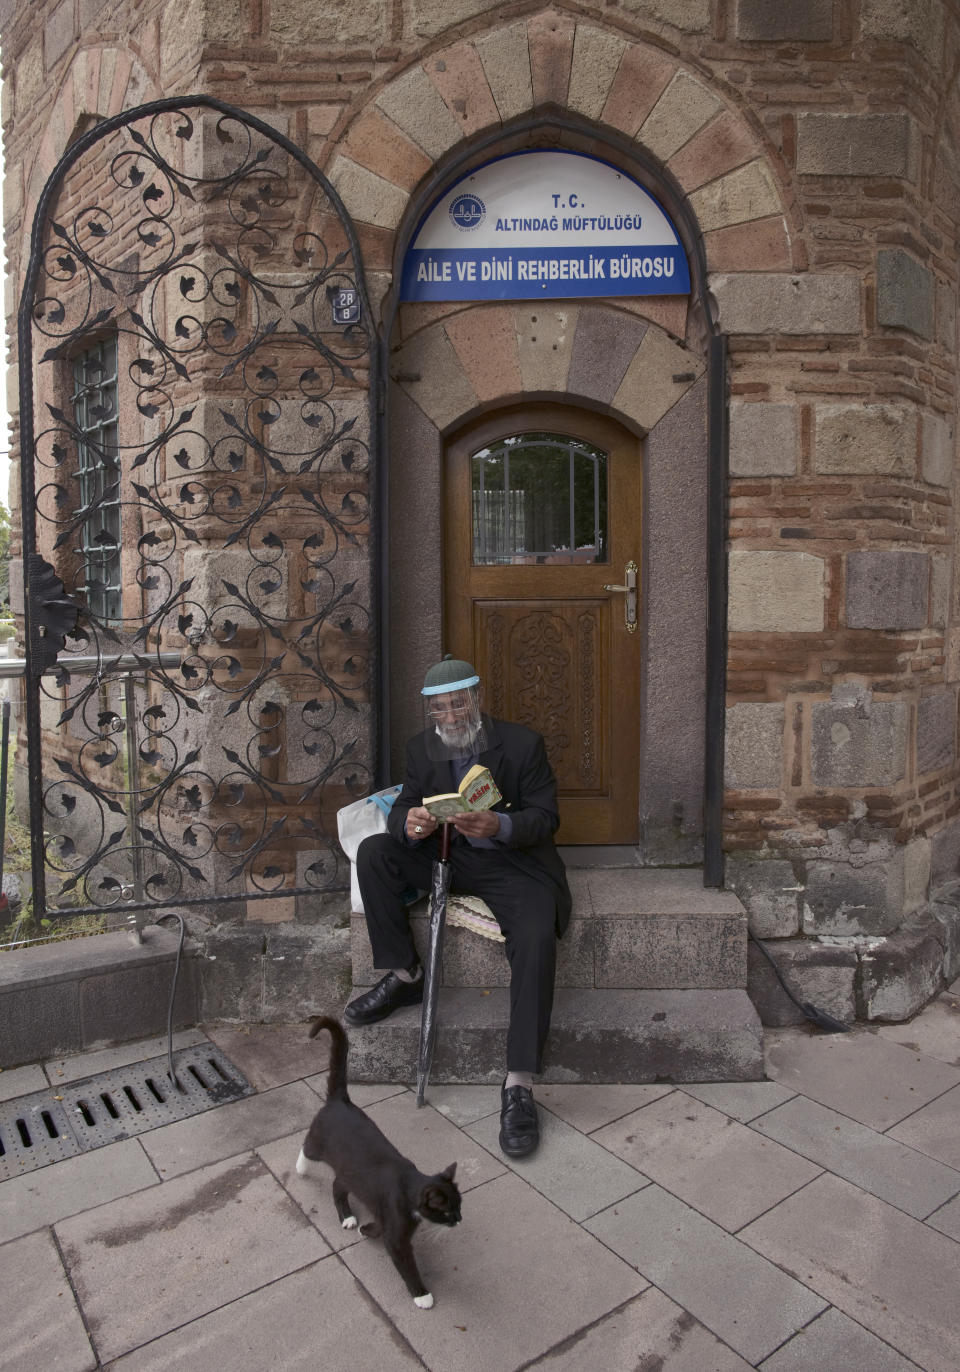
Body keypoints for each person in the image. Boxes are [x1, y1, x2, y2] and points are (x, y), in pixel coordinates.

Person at [345, 656, 571, 1158]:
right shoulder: (420, 749)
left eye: (458, 704)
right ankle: (406, 977)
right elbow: (404, 805)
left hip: (511, 863)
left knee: (535, 933)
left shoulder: (522, 743)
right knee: (374, 852)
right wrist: (411, 823)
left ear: (477, 698)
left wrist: (500, 826)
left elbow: (546, 818)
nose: (449, 718)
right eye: (439, 710)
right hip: (446, 855)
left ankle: (519, 1084)